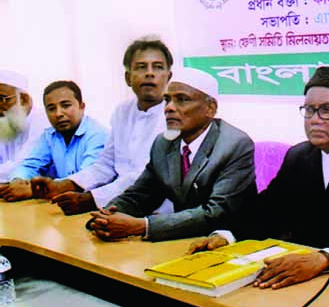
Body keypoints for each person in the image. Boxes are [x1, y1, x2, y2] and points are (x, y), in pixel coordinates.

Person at [189, 66, 329, 290]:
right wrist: (228, 234)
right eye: (310, 110)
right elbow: (268, 209)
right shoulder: (299, 155)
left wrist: (323, 259)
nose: (315, 120)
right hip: (298, 274)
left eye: (327, 110)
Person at [87, 68, 255, 242]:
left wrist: (142, 226)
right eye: (167, 100)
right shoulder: (164, 142)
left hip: (227, 240)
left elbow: (216, 213)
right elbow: (141, 195)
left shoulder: (234, 144)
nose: (169, 108)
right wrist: (107, 217)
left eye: (182, 100)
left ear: (210, 108)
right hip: (181, 239)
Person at [31, 38, 174, 216]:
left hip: (158, 213)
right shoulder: (122, 111)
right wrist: (65, 184)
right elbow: (106, 164)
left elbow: (146, 175)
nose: (150, 73)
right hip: (115, 206)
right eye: (141, 67)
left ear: (169, 76)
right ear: (128, 78)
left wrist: (93, 199)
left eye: (158, 67)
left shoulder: (176, 115)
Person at [0, 81, 107, 201]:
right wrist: (18, 181)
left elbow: (89, 176)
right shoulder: (49, 136)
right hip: (61, 203)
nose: (58, 114)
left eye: (66, 106)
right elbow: (29, 165)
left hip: (93, 206)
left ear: (82, 107)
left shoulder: (97, 134)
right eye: (51, 109)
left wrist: (35, 190)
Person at [0, 70, 49, 181]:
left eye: (1, 99)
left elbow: (23, 166)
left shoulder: (44, 122)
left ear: (23, 99)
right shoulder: (4, 123)